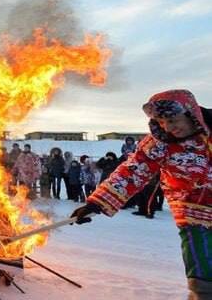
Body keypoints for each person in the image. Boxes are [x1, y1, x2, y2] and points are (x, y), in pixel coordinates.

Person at [72, 90, 211, 299]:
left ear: (191, 113)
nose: (169, 127)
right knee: (203, 271)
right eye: (162, 122)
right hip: (193, 213)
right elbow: (132, 171)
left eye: (173, 120)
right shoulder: (159, 144)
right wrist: (97, 203)